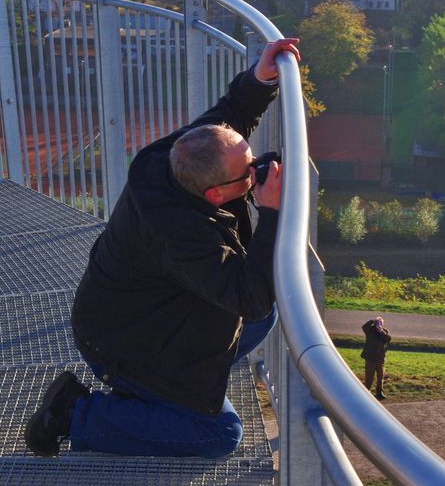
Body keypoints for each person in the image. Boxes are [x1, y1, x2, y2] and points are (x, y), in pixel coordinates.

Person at [24, 38, 302, 458]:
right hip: (121, 343)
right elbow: (251, 295)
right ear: (214, 196)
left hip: (149, 315)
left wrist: (259, 79)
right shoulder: (181, 234)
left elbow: (231, 117)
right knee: (221, 435)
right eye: (249, 173)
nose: (259, 170)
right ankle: (76, 412)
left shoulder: (179, 156)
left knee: (265, 318)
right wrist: (274, 213)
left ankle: (171, 393)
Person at [361, 316, 391, 399]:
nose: (379, 324)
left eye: (381, 323)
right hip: (371, 358)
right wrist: (372, 321)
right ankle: (367, 392)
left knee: (380, 377)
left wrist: (381, 331)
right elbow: (364, 327)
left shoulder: (384, 332)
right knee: (369, 377)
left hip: (381, 359)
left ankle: (379, 392)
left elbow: (388, 339)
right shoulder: (370, 331)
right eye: (378, 322)